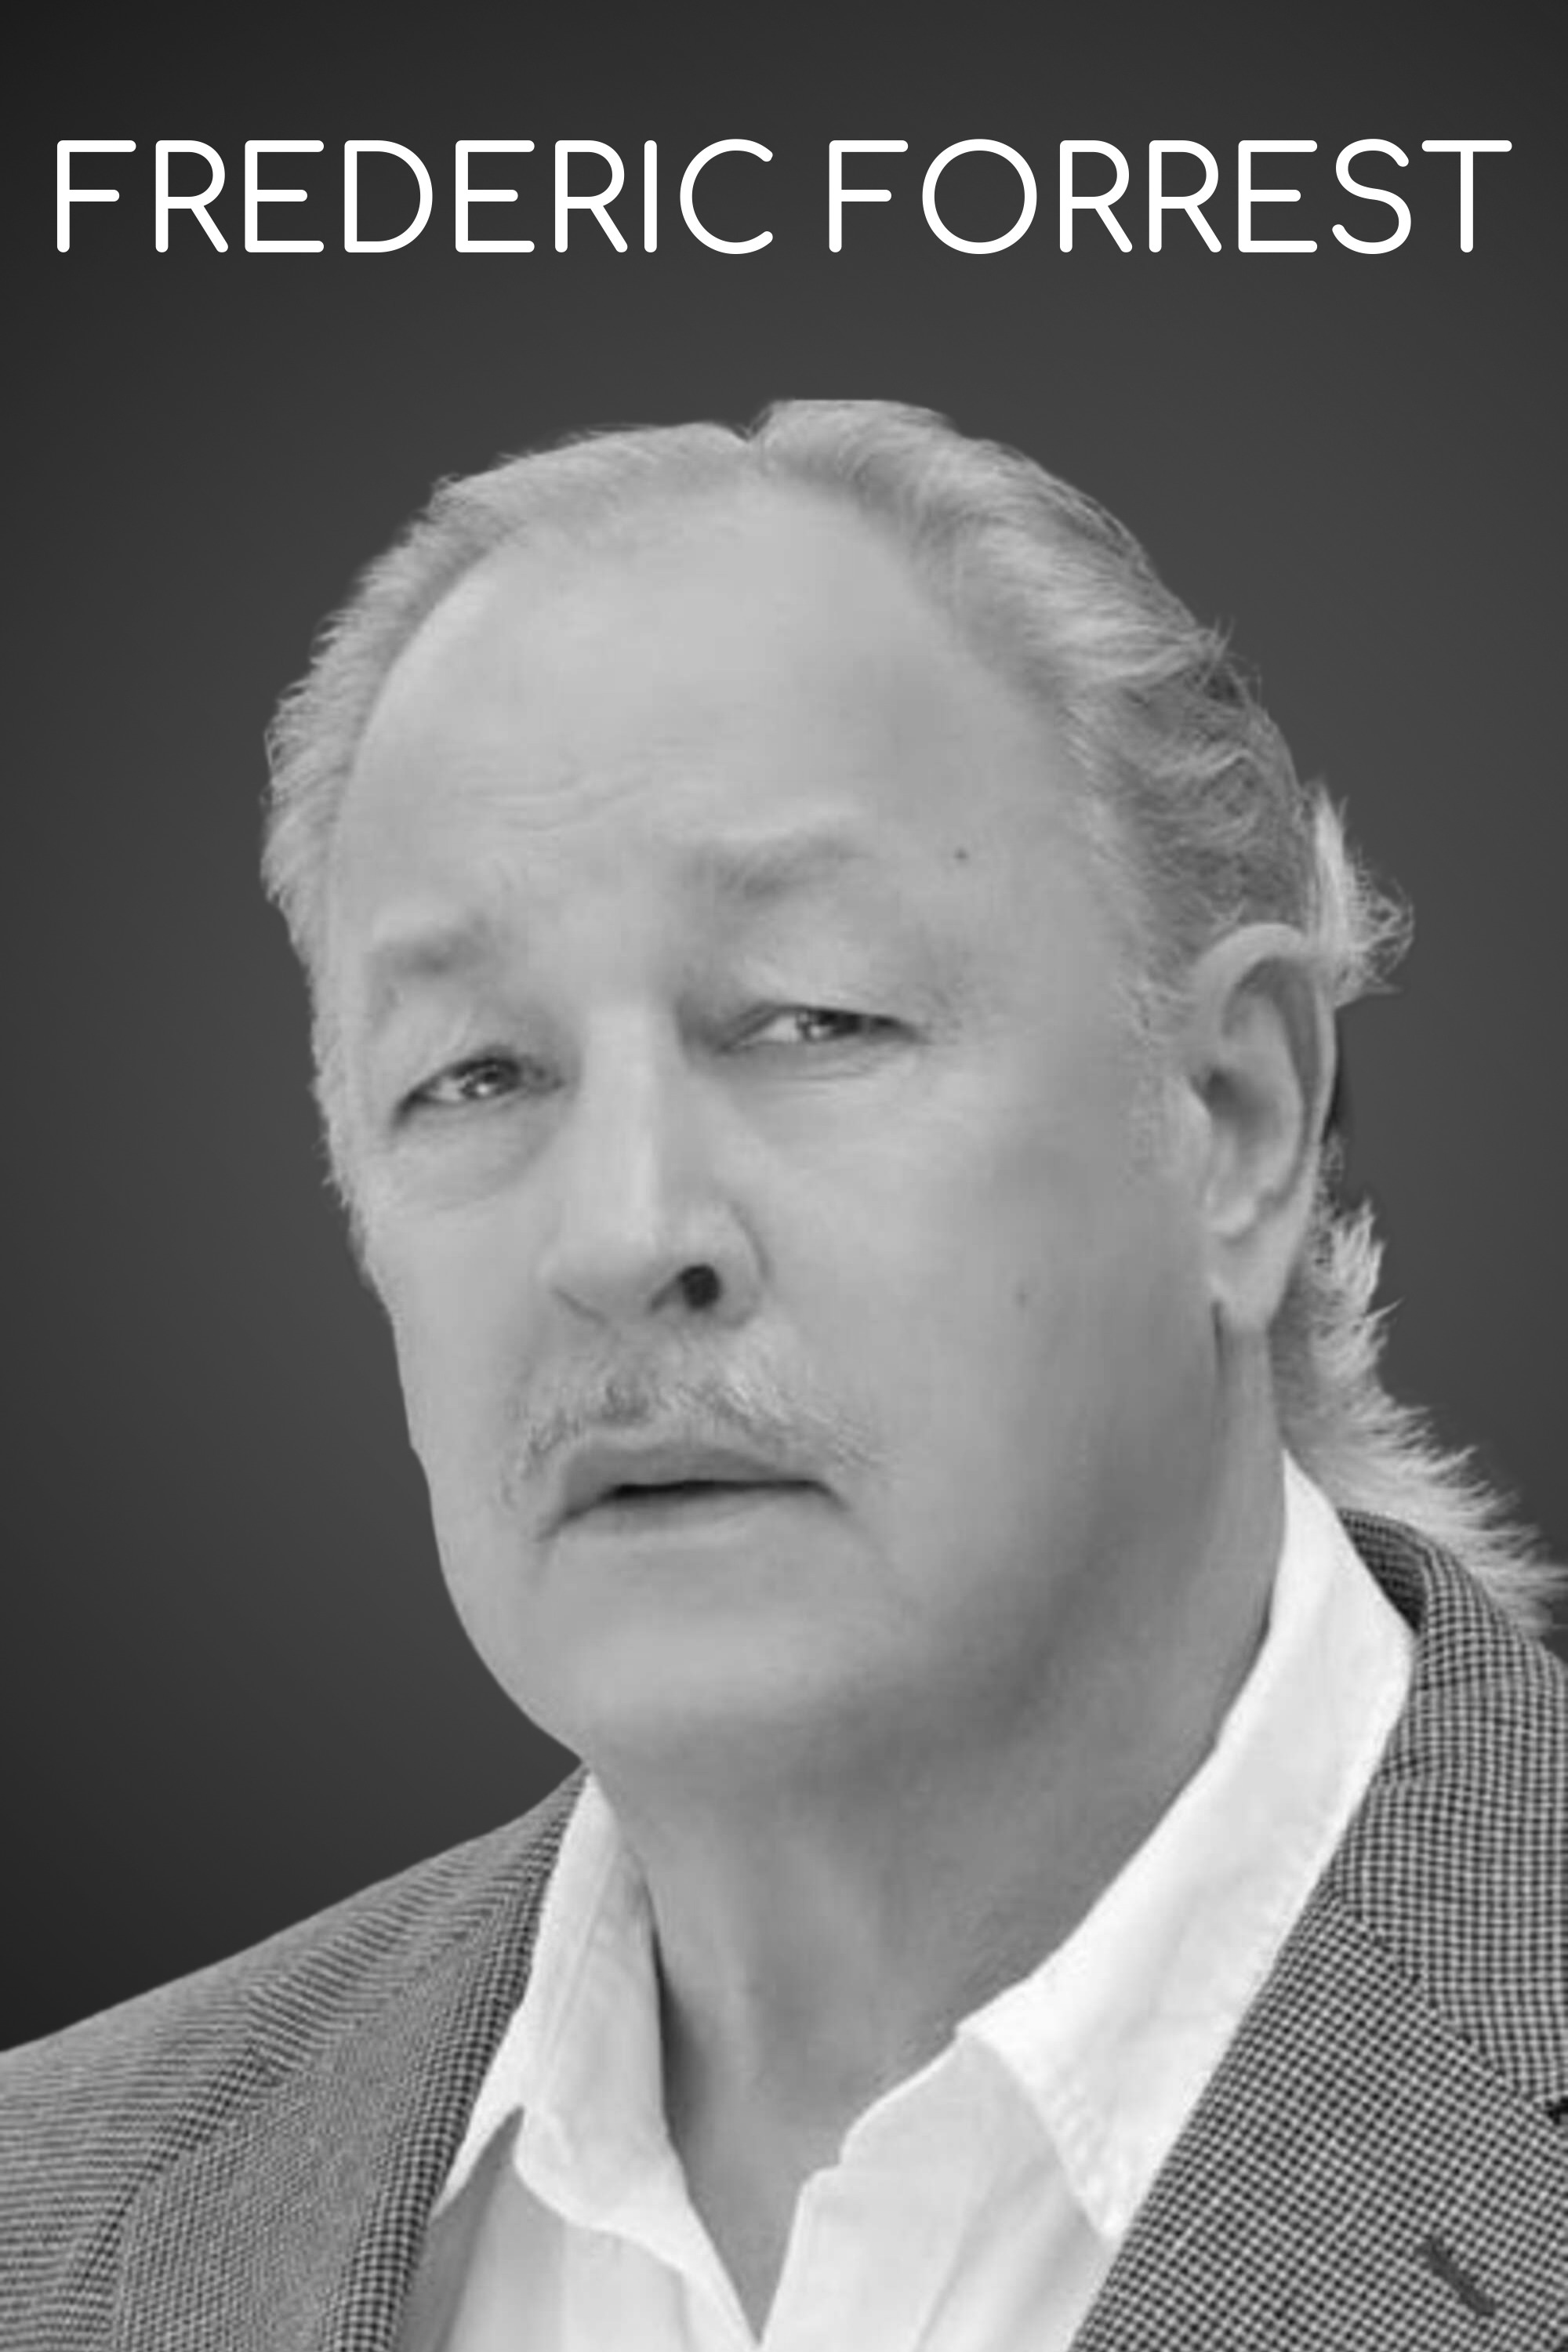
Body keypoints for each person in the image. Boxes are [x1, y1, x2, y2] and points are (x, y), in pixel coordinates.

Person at [2, 402, 1563, 2351]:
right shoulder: (45, 2218)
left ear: (1235, 1120)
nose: (619, 1232)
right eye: (474, 1074)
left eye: (813, 1019)